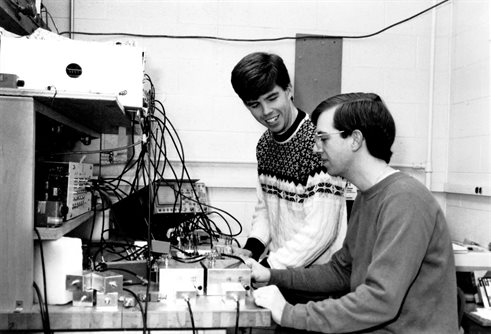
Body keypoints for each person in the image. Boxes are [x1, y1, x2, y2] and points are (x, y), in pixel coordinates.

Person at [248, 92, 459, 333]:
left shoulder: (405, 199)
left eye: (323, 138)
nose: (315, 148)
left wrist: (288, 313)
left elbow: (380, 300)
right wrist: (271, 275)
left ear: (355, 140)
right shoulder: (366, 195)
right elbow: (341, 271)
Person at [230, 52, 347, 270]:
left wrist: (268, 266)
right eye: (254, 104)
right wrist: (252, 250)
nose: (266, 112)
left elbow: (321, 231)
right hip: (282, 274)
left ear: (289, 90)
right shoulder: (265, 145)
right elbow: (266, 208)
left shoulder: (317, 144)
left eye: (272, 98)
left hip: (316, 281)